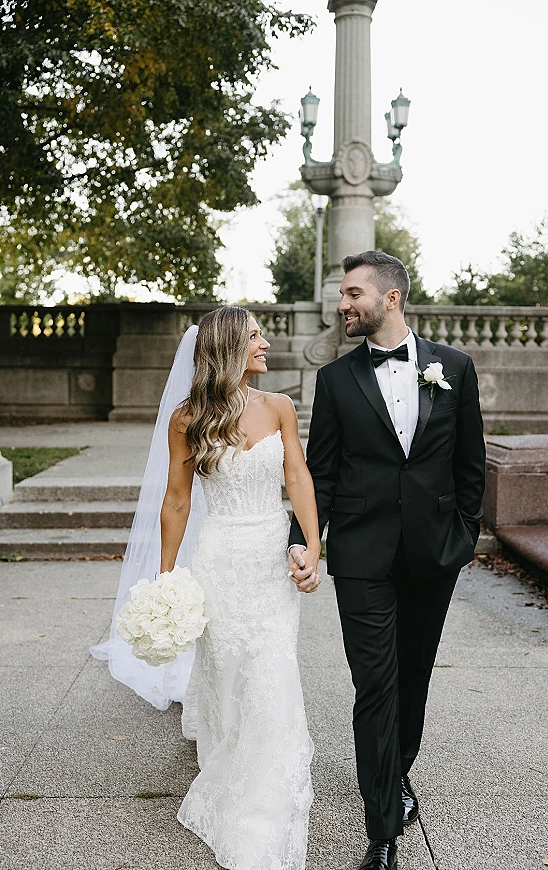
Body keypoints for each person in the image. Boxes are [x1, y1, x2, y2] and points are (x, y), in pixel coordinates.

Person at [93, 306, 321, 870]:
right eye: (255, 337)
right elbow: (176, 500)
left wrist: (313, 547)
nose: (265, 343)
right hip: (218, 558)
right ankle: (229, 769)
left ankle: (266, 793)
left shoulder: (280, 407)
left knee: (271, 666)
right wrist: (167, 575)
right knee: (225, 669)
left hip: (270, 560)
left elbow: (298, 477)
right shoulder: (187, 418)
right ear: (228, 349)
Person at [288, 251, 486, 870]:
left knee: (413, 677)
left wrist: (464, 534)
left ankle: (396, 775)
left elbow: (470, 462)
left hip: (435, 553)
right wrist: (306, 538)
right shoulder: (337, 380)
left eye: (352, 295)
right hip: (363, 553)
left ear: (390, 298)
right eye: (342, 297)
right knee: (374, 685)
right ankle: (382, 831)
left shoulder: (454, 367)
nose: (342, 305)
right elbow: (318, 469)